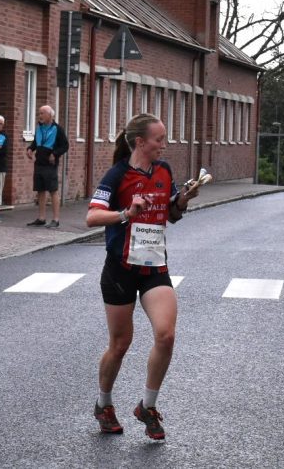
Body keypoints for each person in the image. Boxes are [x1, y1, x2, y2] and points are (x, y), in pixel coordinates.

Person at [85, 113, 200, 440]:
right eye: (159, 139)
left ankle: (147, 406)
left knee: (166, 335)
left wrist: (183, 199)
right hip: (120, 270)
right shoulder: (117, 175)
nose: (164, 145)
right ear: (140, 142)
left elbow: (172, 215)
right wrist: (125, 214)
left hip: (154, 268)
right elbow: (92, 217)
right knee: (120, 344)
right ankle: (103, 403)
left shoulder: (163, 171)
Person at [26, 105, 68, 229]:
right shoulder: (39, 127)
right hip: (39, 162)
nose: (40, 116)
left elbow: (65, 146)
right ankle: (41, 218)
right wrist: (30, 149)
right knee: (40, 190)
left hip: (50, 164)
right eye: (39, 113)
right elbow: (35, 142)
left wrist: (54, 154)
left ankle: (56, 219)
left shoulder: (58, 129)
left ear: (50, 115)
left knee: (53, 190)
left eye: (42, 113)